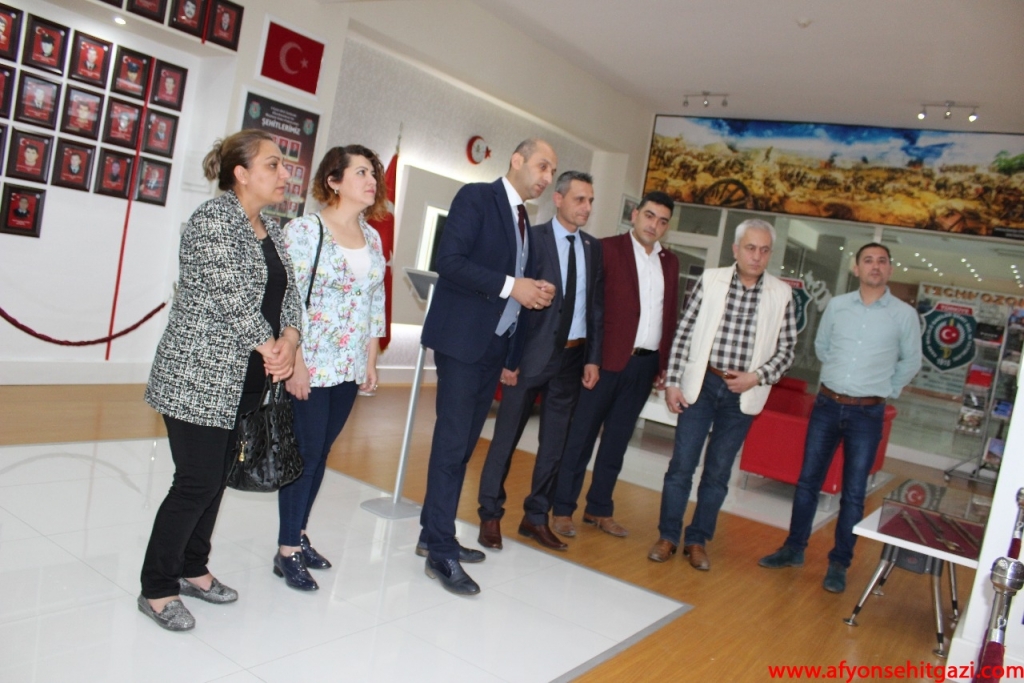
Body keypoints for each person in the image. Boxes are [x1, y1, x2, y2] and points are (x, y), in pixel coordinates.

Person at [140, 130, 300, 631]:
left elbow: (291, 295)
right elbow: (231, 295)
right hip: (198, 376)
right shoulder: (213, 220)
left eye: (284, 165)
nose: (285, 173)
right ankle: (157, 588)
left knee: (215, 481)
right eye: (273, 164)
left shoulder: (273, 230)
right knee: (196, 481)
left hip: (246, 380)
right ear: (241, 173)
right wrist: (271, 348)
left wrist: (290, 340)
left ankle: (194, 568)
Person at [419, 138, 557, 595]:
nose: (546, 177)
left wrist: (530, 291)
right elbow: (449, 261)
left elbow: (512, 285)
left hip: (492, 349)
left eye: (552, 171)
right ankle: (440, 550)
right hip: (461, 342)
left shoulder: (525, 219)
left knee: (461, 448)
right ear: (517, 160)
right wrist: (512, 286)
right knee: (451, 445)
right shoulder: (477, 197)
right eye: (542, 166)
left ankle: (432, 533)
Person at [758, 243, 922, 592]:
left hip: (868, 413)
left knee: (854, 493)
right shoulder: (837, 306)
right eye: (868, 261)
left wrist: (886, 389)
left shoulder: (904, 315)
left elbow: (911, 361)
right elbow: (822, 346)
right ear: (856, 268)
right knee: (807, 483)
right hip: (827, 405)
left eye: (882, 261)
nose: (875, 266)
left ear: (890, 269)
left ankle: (839, 563)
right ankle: (793, 549)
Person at [649, 218, 797, 571]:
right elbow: (684, 332)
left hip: (742, 394)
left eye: (764, 250)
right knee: (681, 466)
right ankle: (668, 536)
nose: (757, 256)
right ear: (736, 249)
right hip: (701, 386)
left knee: (717, 473)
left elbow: (787, 350)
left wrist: (756, 377)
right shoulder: (711, 280)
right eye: (750, 248)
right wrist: (673, 381)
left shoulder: (782, 294)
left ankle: (697, 540)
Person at [275, 145, 387, 590]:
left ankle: (298, 534)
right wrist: (295, 364)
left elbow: (374, 302)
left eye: (373, 173)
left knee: (320, 453)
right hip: (311, 361)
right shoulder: (306, 230)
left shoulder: (373, 237)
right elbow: (287, 300)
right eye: (360, 172)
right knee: (304, 453)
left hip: (349, 365)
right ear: (334, 181)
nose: (371, 180)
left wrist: (371, 360)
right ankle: (287, 550)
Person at [476, 171, 604, 552]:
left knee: (554, 445)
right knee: (505, 439)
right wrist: (510, 357)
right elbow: (515, 302)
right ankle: (490, 514)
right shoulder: (532, 239)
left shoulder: (593, 248)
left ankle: (535, 516)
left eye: (591, 201)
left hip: (572, 359)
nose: (586, 207)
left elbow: (595, 307)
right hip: (529, 357)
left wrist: (593, 358)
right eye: (579, 199)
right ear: (558, 199)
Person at [550, 191, 679, 538]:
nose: (654, 225)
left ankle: (599, 509)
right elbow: (590, 308)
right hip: (604, 363)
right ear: (635, 215)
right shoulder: (605, 249)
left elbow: (669, 316)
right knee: (580, 438)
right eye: (649, 216)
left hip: (644, 366)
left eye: (662, 221)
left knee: (617, 442)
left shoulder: (670, 262)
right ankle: (562, 508)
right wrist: (590, 358)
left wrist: (665, 364)